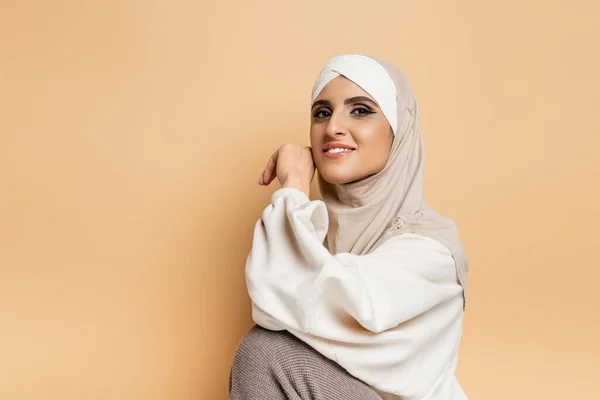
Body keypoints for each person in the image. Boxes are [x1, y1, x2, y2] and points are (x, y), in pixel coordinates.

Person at [229, 54, 469, 400]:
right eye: (322, 113)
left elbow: (278, 296)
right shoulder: (321, 238)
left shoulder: (431, 249)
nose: (332, 128)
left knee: (267, 350)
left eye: (360, 110)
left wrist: (294, 186)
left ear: (398, 131)